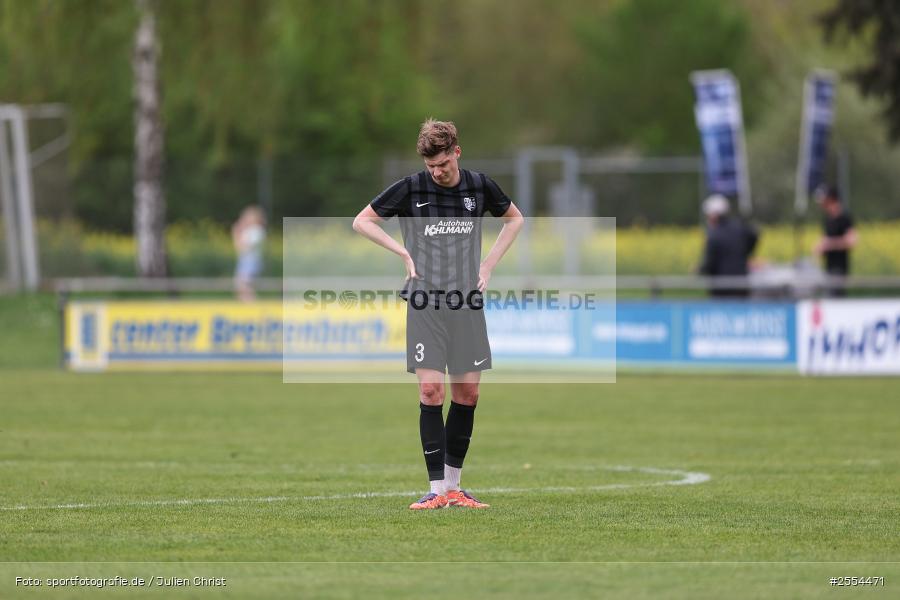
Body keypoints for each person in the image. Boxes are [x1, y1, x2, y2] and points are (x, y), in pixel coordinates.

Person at [353, 119, 524, 510]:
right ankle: (434, 490)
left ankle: (454, 488)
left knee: (468, 393)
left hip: (466, 303)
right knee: (431, 391)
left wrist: (488, 266)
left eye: (443, 163)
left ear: (457, 153)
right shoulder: (412, 187)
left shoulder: (479, 186)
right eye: (431, 166)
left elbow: (515, 219)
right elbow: (361, 221)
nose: (437, 172)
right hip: (425, 303)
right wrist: (402, 252)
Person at [698, 194, 759, 298]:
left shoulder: (714, 234)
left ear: (714, 215)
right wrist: (747, 253)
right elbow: (754, 234)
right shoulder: (740, 228)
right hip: (742, 286)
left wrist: (699, 270)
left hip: (721, 289)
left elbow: (709, 264)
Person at [814, 186, 857, 297]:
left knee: (837, 298)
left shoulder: (845, 218)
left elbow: (852, 241)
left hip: (839, 268)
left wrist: (829, 244)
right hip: (828, 267)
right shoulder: (827, 219)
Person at [232, 205, 267, 302]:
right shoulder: (249, 231)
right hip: (245, 261)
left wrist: (236, 233)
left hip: (251, 262)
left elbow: (243, 247)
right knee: (241, 287)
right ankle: (247, 306)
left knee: (243, 286)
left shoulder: (256, 231)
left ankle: (252, 306)